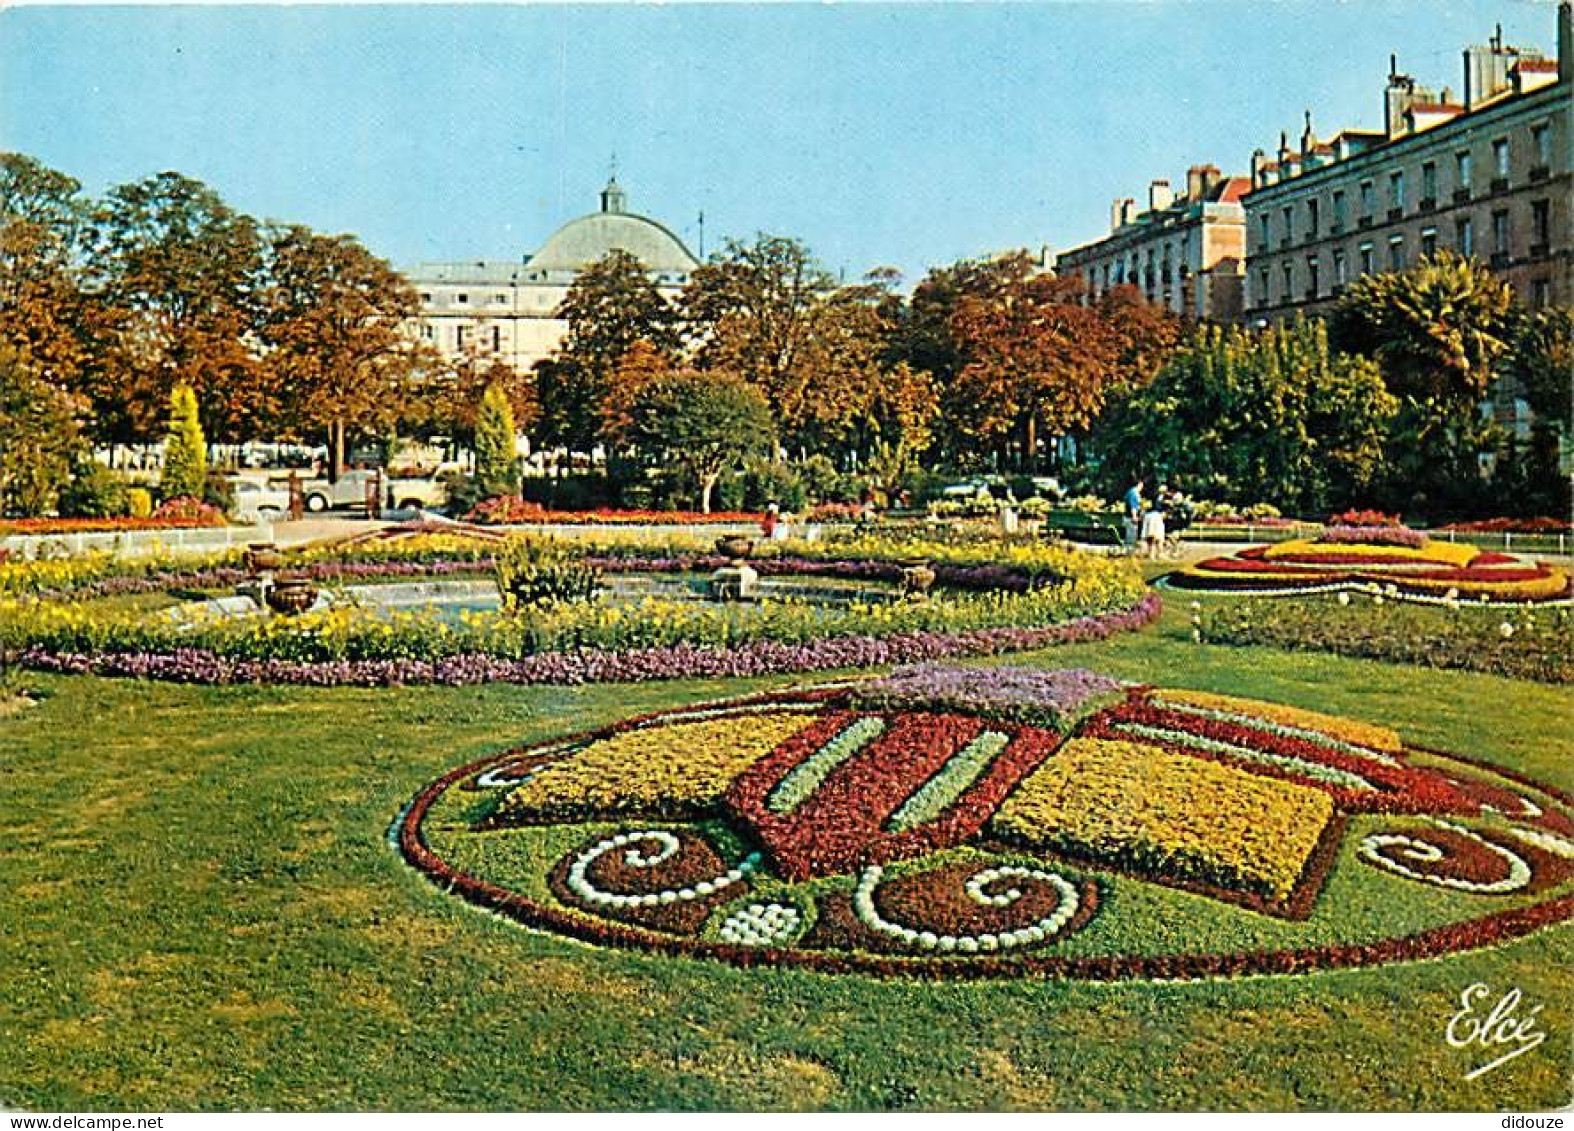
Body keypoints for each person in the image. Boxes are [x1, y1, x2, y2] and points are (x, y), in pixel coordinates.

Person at [1141, 484, 1168, 559]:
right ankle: (1159, 554)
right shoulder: (1159, 496)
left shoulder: (1146, 495)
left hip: (1148, 515)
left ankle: (1151, 554)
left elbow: (1144, 507)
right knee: (1158, 537)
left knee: (1151, 537)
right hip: (1156, 515)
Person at [1123, 477, 1145, 551]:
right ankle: (1129, 553)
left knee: (1130, 536)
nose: (1142, 487)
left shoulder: (1130, 491)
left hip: (1128, 517)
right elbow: (1133, 506)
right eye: (1142, 485)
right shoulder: (1134, 493)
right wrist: (1134, 517)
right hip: (1130, 518)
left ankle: (1128, 551)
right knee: (1131, 538)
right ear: (1139, 484)